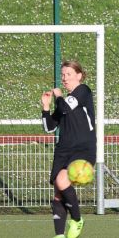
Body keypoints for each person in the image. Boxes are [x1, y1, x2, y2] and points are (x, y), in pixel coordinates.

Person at [41, 60, 96, 238]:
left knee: (62, 180)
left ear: (79, 76)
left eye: (68, 74)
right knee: (58, 194)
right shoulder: (63, 103)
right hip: (63, 150)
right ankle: (59, 235)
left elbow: (65, 106)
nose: (64, 78)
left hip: (82, 148)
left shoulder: (83, 91)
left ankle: (78, 219)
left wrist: (58, 96)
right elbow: (49, 127)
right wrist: (46, 107)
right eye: (63, 75)